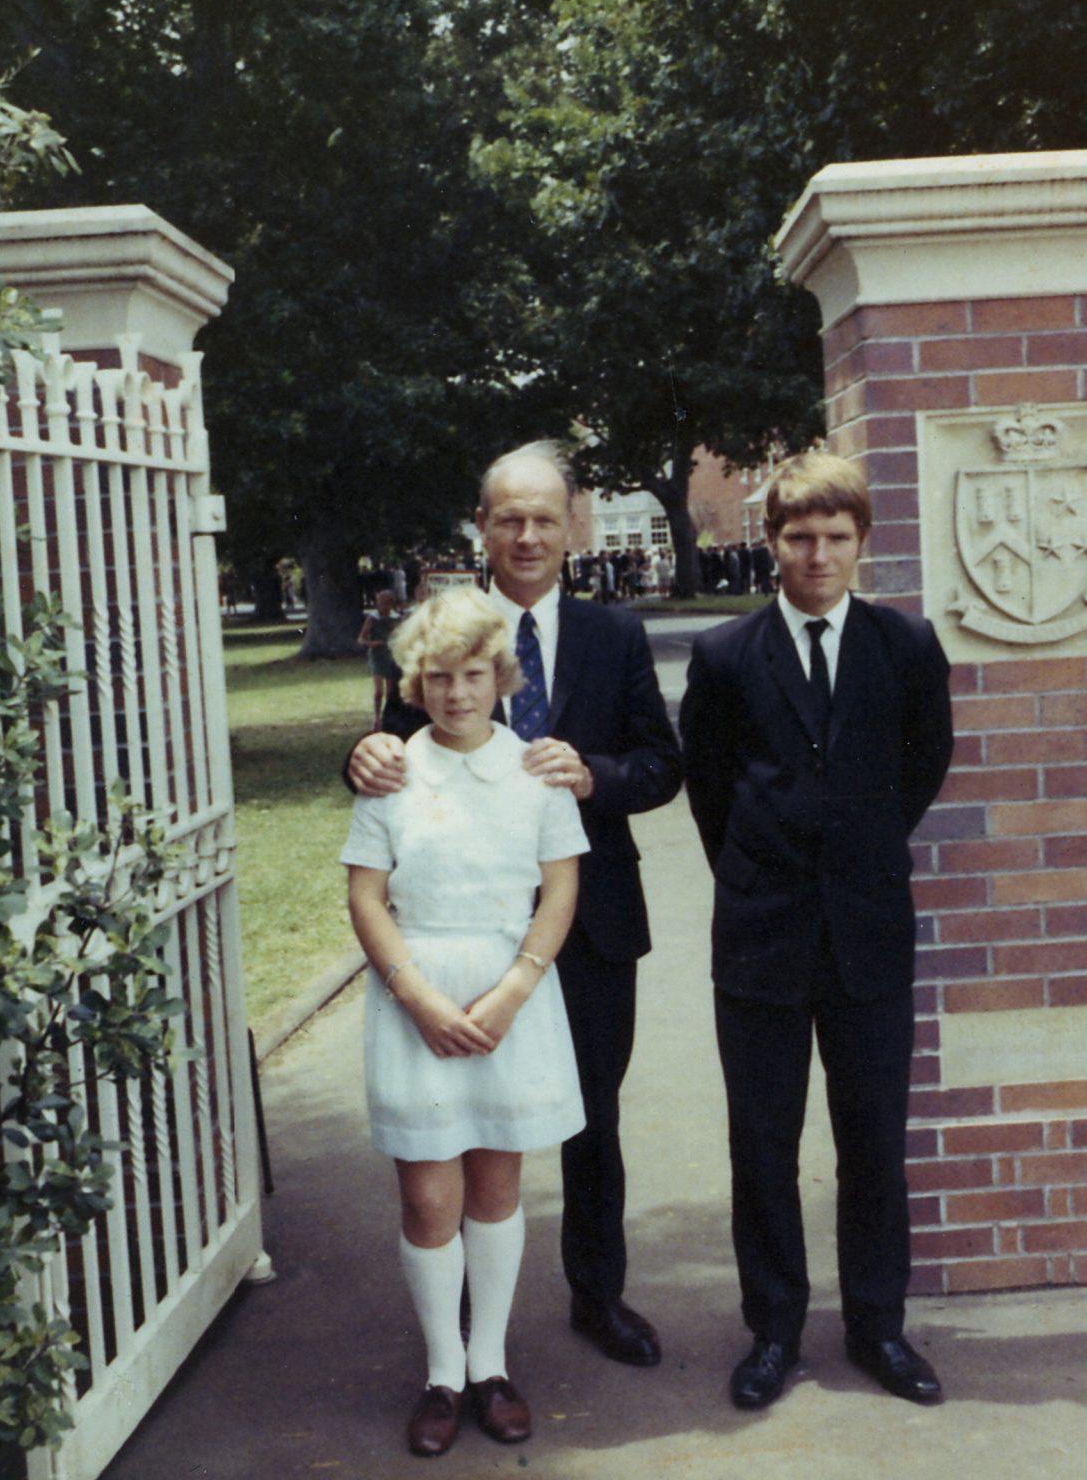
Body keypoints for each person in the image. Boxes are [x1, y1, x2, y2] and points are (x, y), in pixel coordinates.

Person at [348, 441, 683, 1369]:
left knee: (589, 1116)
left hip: (590, 913)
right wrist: (358, 758)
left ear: (570, 526)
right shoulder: (446, 635)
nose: (527, 535)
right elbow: (390, 751)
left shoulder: (613, 634)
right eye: (508, 518)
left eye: (544, 517)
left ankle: (598, 1296)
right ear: (483, 527)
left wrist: (595, 775)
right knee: (460, 1125)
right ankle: (457, 1329)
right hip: (459, 929)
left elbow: (662, 764)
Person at [679, 450, 954, 1413]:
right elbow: (709, 788)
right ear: (772, 545)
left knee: (874, 1137)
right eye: (800, 537)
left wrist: (860, 854)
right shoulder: (724, 656)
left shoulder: (906, 647)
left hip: (869, 930)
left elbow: (924, 764)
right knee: (763, 1140)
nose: (819, 555)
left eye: (838, 538)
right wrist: (764, 870)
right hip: (760, 934)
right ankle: (775, 1330)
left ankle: (879, 1325)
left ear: (862, 543)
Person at [341, 587, 589, 1457]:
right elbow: (367, 896)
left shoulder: (535, 770)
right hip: (419, 997)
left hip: (509, 996)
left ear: (502, 677)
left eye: (473, 675)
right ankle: (441, 1370)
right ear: (415, 682)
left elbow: (559, 886)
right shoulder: (392, 772)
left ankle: (490, 1362)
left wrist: (516, 988)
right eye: (438, 678)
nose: (456, 694)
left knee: (496, 1182)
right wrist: (416, 995)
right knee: (428, 1192)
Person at [358, 588, 403, 730]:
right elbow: (361, 639)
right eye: (380, 603)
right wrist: (372, 643)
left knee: (391, 693)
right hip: (377, 656)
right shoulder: (372, 618)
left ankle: (387, 718)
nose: (382, 607)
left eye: (386, 604)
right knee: (379, 691)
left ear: (391, 604)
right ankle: (376, 717)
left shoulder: (396, 618)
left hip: (390, 656)